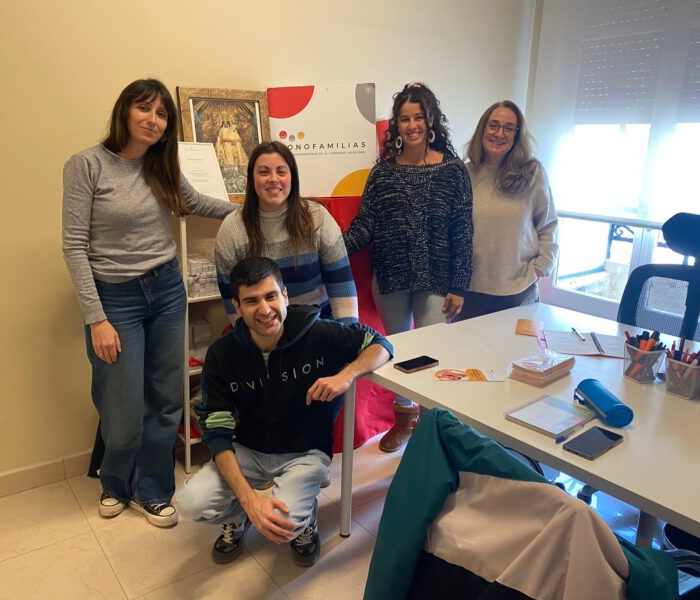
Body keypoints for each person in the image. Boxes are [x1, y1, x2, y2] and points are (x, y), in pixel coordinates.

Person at [62, 78, 235, 527]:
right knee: (121, 404)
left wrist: (253, 209)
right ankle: (115, 483)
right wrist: (96, 318)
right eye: (145, 109)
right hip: (114, 299)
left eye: (161, 114)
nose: (153, 120)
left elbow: (194, 202)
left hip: (166, 290)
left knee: (164, 397)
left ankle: (153, 490)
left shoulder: (161, 166)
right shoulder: (86, 165)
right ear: (125, 110)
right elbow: (74, 247)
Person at [176, 257, 392, 567]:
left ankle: (306, 522)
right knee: (191, 503)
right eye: (252, 301)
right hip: (248, 450)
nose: (265, 310)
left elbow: (380, 344)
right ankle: (237, 517)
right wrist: (250, 502)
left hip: (305, 452)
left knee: (284, 525)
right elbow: (216, 431)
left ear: (285, 296)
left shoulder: (319, 334)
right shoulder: (222, 354)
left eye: (271, 296)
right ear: (237, 306)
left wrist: (345, 376)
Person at [343, 83, 473, 452]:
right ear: (396, 126)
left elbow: (463, 229)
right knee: (397, 353)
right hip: (391, 277)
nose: (412, 125)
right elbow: (365, 225)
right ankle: (404, 419)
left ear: (430, 120)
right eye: (404, 119)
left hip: (437, 279)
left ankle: (431, 431)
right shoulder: (383, 172)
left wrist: (459, 285)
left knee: (432, 356)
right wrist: (330, 248)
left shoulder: (453, 171)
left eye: (418, 117)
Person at [215, 141, 358, 325]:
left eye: (281, 172)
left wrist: (348, 334)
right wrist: (253, 339)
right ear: (252, 179)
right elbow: (231, 301)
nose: (273, 179)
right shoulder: (231, 230)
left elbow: (341, 284)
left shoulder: (318, 218)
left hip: (319, 325)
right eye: (264, 172)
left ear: (292, 177)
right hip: (263, 330)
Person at [458, 100, 558, 320]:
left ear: (517, 134)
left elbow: (549, 226)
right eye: (493, 125)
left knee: (517, 345)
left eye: (509, 128)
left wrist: (541, 267)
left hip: (520, 290)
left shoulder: (533, 173)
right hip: (471, 291)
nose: (499, 133)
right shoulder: (464, 174)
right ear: (483, 129)